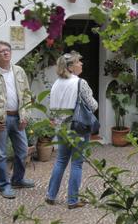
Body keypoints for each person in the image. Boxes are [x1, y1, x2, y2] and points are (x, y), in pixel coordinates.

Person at [45, 51, 98, 209]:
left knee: (61, 161)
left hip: (61, 127)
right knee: (77, 164)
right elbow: (94, 106)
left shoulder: (56, 83)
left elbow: (52, 108)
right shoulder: (80, 82)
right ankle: (73, 200)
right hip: (77, 127)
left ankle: (50, 195)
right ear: (70, 66)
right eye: (78, 62)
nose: (81, 64)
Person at [0, 40, 34, 199]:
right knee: (1, 154)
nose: (6, 53)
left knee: (22, 150)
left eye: (8, 50)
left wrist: (25, 116)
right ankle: (4, 186)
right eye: (2, 51)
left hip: (18, 118)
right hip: (1, 121)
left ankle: (17, 179)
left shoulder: (19, 71)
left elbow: (26, 95)